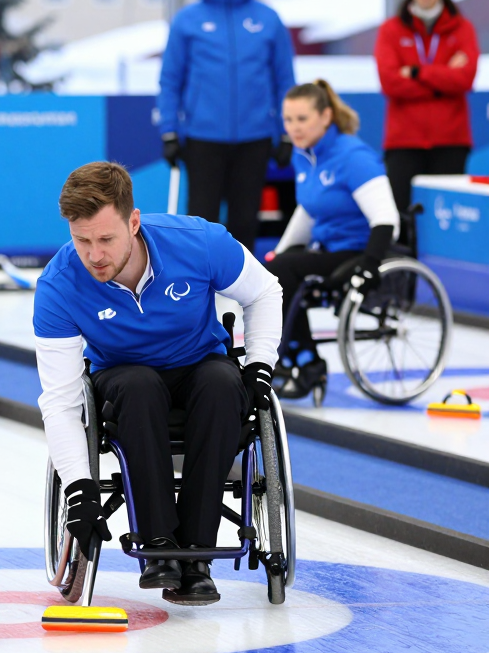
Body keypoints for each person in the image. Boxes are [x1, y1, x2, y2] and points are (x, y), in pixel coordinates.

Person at [34, 162, 282, 605]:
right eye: (82, 240)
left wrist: (261, 364)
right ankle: (159, 549)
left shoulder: (199, 242)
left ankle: (196, 559)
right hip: (122, 374)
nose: (94, 255)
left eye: (106, 239)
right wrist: (78, 488)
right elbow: (60, 401)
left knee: (225, 386)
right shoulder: (58, 285)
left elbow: (265, 291)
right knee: (139, 386)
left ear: (134, 222)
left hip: (200, 362)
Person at [267, 81, 401, 397]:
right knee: (274, 269)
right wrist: (278, 253)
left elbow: (386, 219)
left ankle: (303, 361)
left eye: (302, 119)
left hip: (359, 250)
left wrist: (369, 266)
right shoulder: (304, 155)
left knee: (284, 271)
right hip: (326, 247)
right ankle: (297, 358)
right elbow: (309, 211)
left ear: (325, 117)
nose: (294, 128)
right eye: (288, 120)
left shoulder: (353, 156)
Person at [158, 0, 296, 256]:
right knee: (200, 222)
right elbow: (170, 79)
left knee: (244, 222)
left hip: (256, 137)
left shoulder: (268, 18)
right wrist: (169, 130)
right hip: (202, 137)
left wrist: (286, 131)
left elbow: (284, 78)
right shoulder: (187, 19)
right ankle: (197, 289)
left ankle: (242, 291)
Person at [375, 0, 479, 235]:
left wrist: (415, 72)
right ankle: (402, 271)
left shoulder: (463, 28)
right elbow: (390, 83)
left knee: (447, 221)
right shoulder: (391, 29)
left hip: (451, 140)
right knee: (400, 218)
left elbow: (464, 79)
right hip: (404, 142)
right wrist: (443, 79)